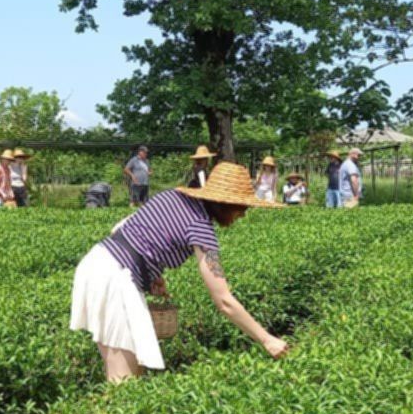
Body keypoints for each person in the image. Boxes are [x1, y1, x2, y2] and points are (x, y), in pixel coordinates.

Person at [70, 162, 290, 382]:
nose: (243, 215)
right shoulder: (201, 228)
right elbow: (224, 301)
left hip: (96, 263)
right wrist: (267, 340)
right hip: (113, 281)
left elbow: (118, 229)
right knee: (124, 381)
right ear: (225, 204)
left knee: (128, 371)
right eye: (242, 208)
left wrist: (150, 273)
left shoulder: (172, 196)